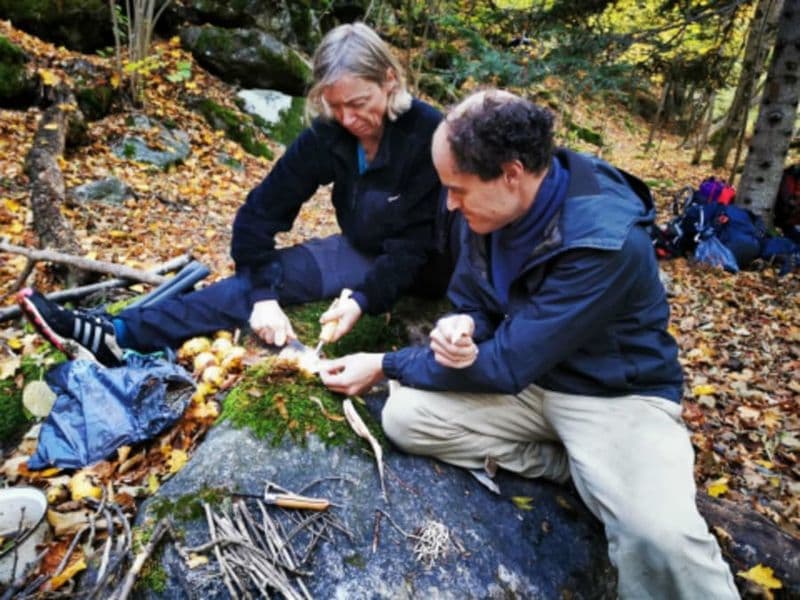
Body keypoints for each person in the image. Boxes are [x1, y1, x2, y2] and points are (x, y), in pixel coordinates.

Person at [320, 90, 740, 598]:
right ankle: (575, 468)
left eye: (458, 189)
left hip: (613, 396)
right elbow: (471, 301)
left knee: (662, 541)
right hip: (529, 383)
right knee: (406, 418)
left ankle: (602, 469)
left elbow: (504, 365)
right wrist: (463, 325)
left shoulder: (603, 243)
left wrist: (384, 363)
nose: (448, 203)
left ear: (512, 173)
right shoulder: (490, 208)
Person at [18, 22, 451, 366]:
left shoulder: (427, 133)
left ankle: (123, 330)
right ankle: (118, 333)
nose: (348, 117)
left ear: (389, 80)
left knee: (369, 269)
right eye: (335, 106)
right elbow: (258, 215)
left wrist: (361, 301)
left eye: (358, 103)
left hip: (424, 264)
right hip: (360, 249)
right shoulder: (330, 135)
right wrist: (264, 297)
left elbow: (412, 247)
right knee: (253, 283)